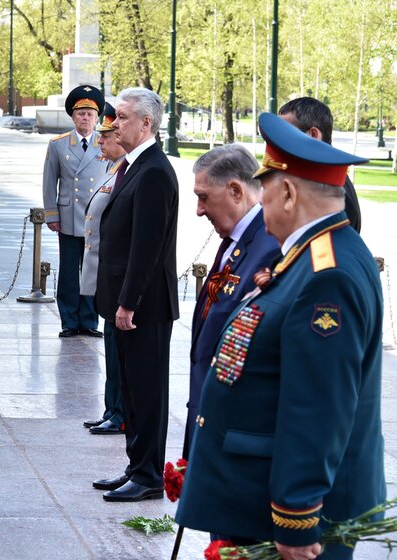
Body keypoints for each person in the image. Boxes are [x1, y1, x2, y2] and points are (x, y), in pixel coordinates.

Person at [176, 112, 383, 560]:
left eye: (264, 188)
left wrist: (296, 513)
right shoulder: (313, 257)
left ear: (287, 193)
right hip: (263, 491)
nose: (259, 201)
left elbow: (317, 406)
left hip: (298, 513)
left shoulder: (328, 275)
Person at [93, 87, 178, 502]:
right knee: (130, 388)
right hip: (126, 300)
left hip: (145, 305)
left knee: (146, 392)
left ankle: (148, 476)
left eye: (123, 117)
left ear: (146, 123)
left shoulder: (155, 171)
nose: (114, 123)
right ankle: (135, 467)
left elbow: (148, 246)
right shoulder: (133, 166)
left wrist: (129, 302)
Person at [182, 144, 280, 459]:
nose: (199, 209)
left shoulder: (268, 247)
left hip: (231, 420)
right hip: (209, 406)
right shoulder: (238, 240)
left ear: (236, 191)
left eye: (204, 197)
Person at [42, 85, 106, 338]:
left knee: (92, 271)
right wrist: (51, 214)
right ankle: (69, 320)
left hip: (96, 218)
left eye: (90, 114)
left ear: (97, 117)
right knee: (69, 272)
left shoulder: (106, 143)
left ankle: (90, 320)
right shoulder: (58, 145)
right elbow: (50, 182)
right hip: (68, 217)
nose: (85, 119)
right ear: (72, 116)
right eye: (81, 114)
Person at [80, 103, 127, 436]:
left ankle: (119, 411)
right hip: (104, 274)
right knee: (110, 347)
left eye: (105, 137)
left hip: (115, 275)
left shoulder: (125, 172)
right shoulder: (113, 170)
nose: (100, 142)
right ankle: (112, 408)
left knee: (117, 349)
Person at [279, 97, 361, 232]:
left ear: (313, 135)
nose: (280, 142)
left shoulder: (332, 189)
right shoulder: (325, 179)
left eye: (286, 134)